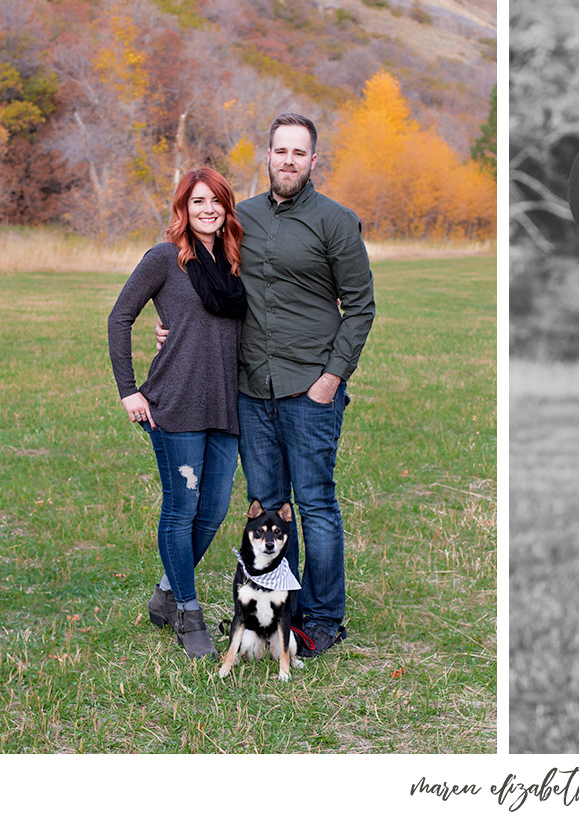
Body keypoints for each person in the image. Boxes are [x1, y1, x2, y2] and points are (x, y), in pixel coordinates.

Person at [158, 114, 375, 657]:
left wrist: (332, 378)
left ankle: (323, 621)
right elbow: (202, 274)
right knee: (269, 504)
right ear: (268, 155)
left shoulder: (336, 222)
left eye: (299, 153)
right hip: (251, 389)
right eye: (280, 151)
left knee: (316, 504)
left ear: (313, 160)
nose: (288, 161)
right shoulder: (241, 218)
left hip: (310, 387)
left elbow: (361, 307)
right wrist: (170, 324)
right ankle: (285, 606)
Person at [108, 168, 247, 660]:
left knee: (211, 511)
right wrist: (129, 390)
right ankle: (188, 612)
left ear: (227, 208)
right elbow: (121, 316)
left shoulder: (234, 261)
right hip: (175, 403)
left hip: (226, 405)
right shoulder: (166, 258)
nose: (207, 209)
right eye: (197, 202)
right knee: (181, 507)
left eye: (216, 201)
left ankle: (166, 593)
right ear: (183, 209)